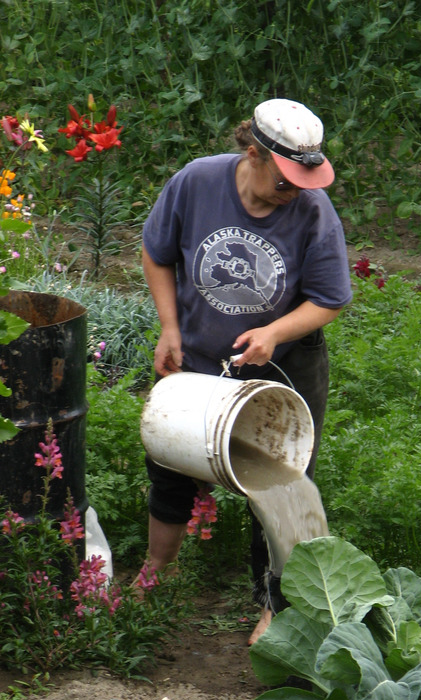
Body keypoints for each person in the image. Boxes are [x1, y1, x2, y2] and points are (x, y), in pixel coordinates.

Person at [138, 98, 352, 643]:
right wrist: (169, 326)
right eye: (285, 180)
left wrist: (275, 332)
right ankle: (158, 572)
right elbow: (157, 253)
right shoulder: (197, 183)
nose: (295, 190)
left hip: (283, 367)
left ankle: (275, 608)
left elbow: (329, 298)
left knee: (279, 483)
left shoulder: (312, 210)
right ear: (253, 154)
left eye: (303, 180)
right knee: (168, 460)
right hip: (202, 356)